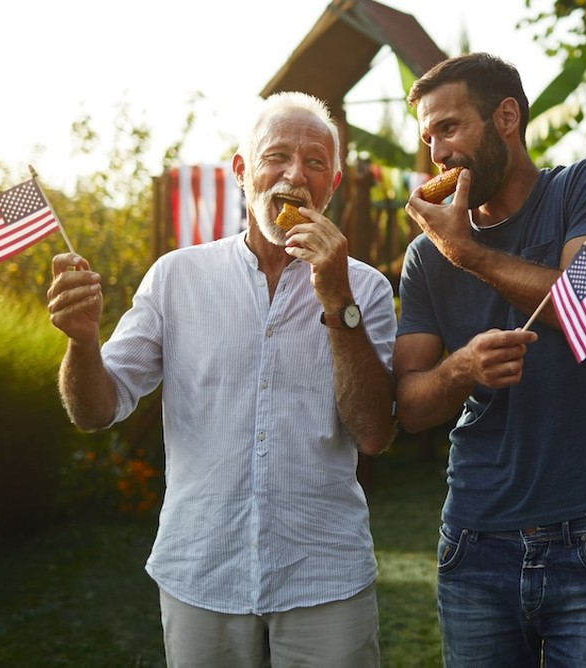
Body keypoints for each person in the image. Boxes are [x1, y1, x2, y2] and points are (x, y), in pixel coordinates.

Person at [45, 91, 397, 667]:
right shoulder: (176, 278)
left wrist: (336, 299)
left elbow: (374, 434)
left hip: (325, 576)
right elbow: (95, 409)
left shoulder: (367, 289)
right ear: (241, 171)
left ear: (331, 183)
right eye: (276, 156)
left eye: (314, 162)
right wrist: (83, 343)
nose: (294, 174)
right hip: (201, 573)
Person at [395, 52, 586, 666]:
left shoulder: (584, 187)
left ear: (506, 116)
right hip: (474, 539)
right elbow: (408, 406)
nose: (437, 152)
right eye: (428, 137)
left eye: (450, 128)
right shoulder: (425, 258)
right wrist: (461, 369)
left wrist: (469, 253)